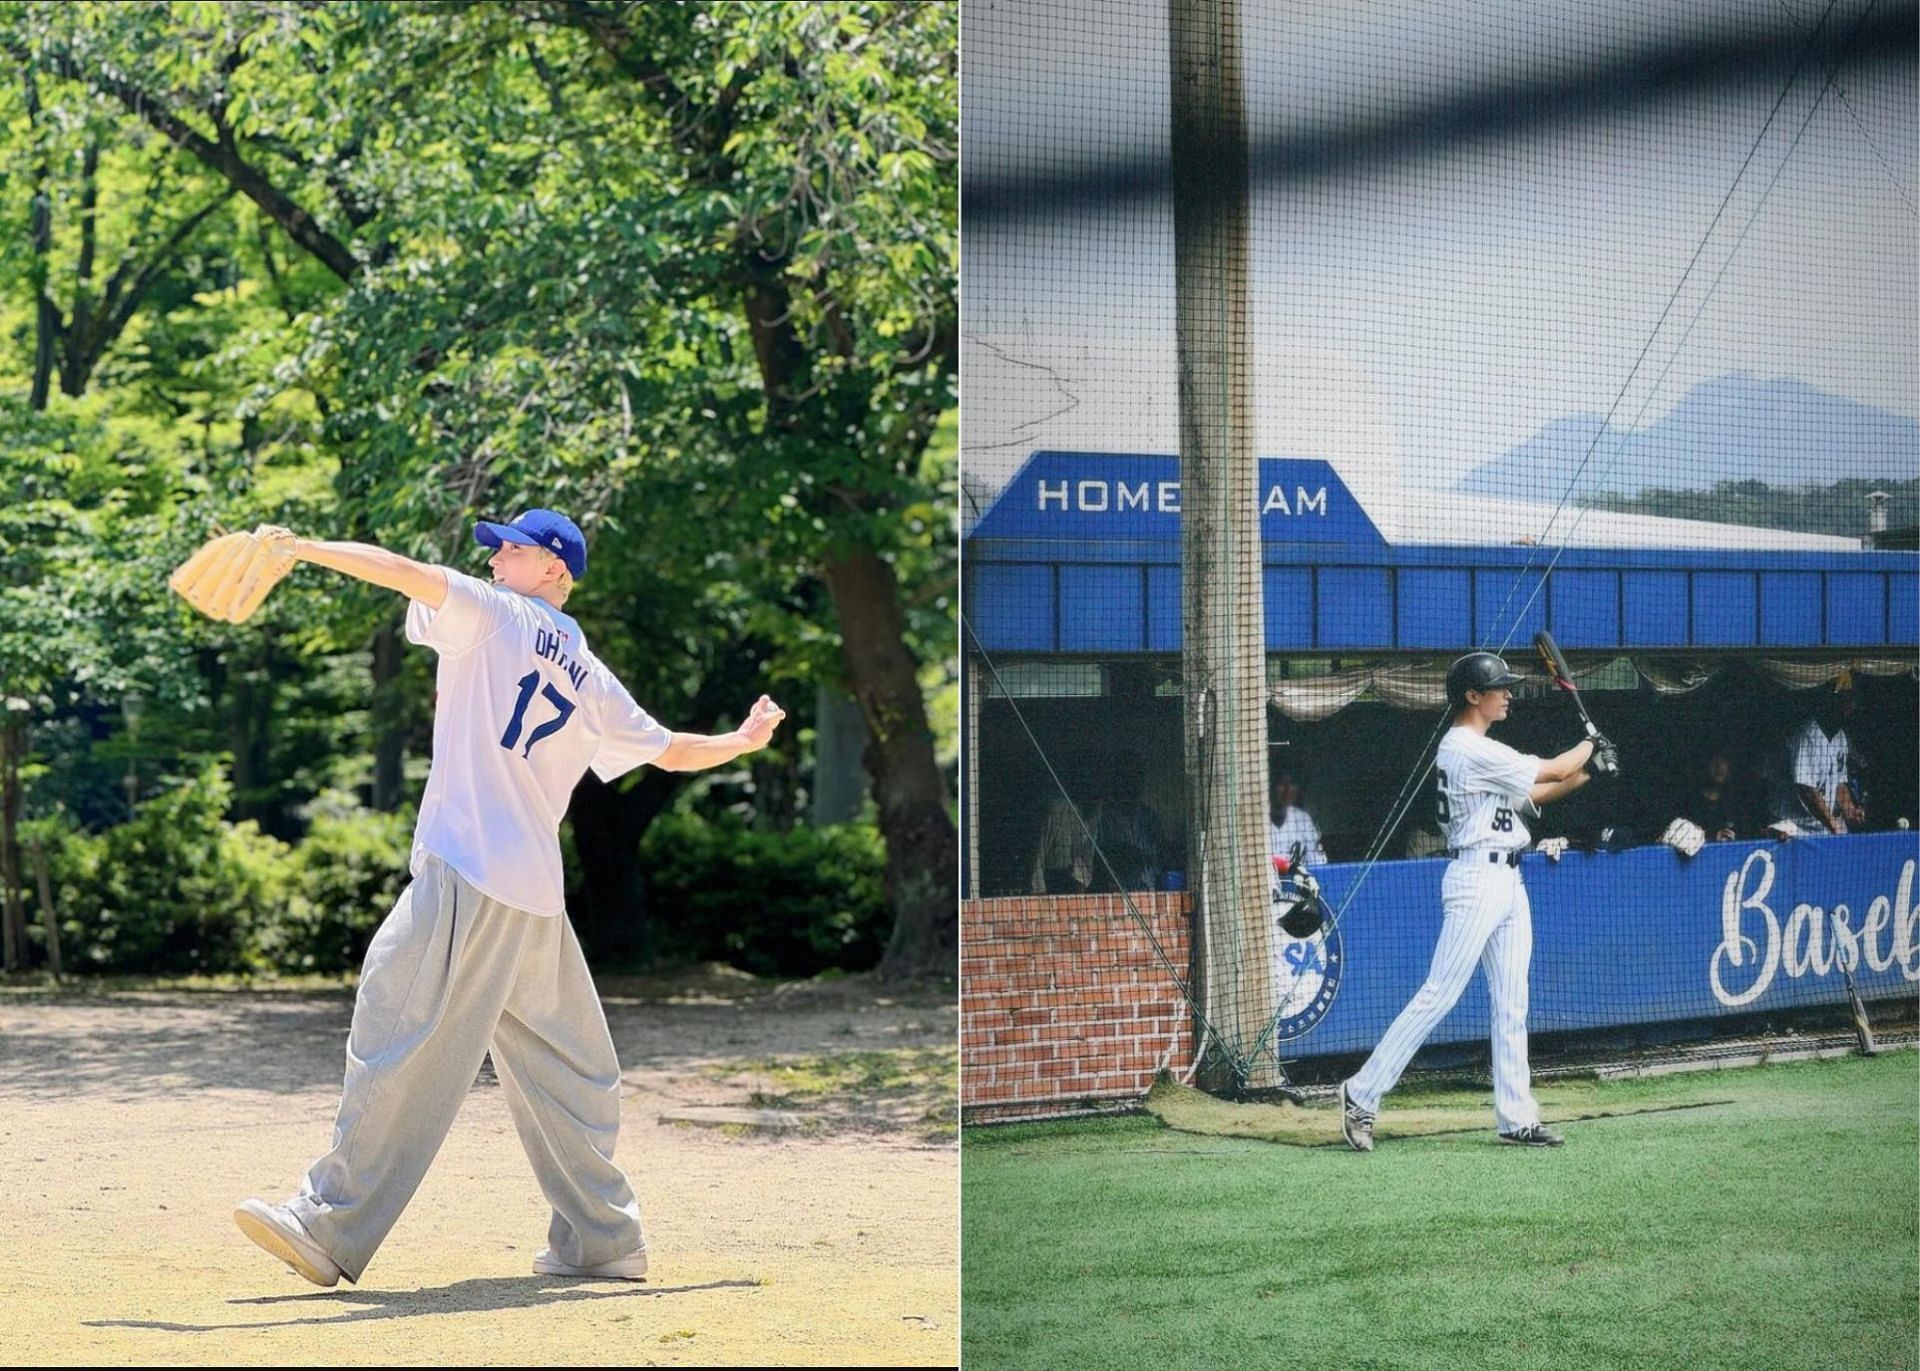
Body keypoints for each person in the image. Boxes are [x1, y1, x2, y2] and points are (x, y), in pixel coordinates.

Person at [232, 509, 785, 1287]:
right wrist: (740, 741)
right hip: (534, 898)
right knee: (570, 1072)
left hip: (469, 870)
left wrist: (304, 550)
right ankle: (603, 1239)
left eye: (510, 549)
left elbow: (404, 570)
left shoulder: (496, 616)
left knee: (395, 1026)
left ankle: (328, 1221)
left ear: (555, 568)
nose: (492, 559)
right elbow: (668, 749)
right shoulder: (588, 671)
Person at [1337, 652, 1613, 1153]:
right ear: (1472, 696)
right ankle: (1360, 1093)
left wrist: (1592, 769)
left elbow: (1538, 793)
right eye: (1500, 687)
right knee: (1438, 994)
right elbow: (1553, 766)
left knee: (1512, 1004)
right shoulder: (1466, 747)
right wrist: (1590, 744)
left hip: (1509, 879)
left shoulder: (1480, 752)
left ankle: (1516, 1118)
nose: (1508, 694)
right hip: (1474, 879)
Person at [1768, 683, 1864, 836]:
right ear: (1833, 702)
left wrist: (1849, 809)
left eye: (1852, 701)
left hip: (1824, 825)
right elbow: (1807, 791)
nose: (1852, 707)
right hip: (1795, 826)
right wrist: (1834, 826)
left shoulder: (1840, 736)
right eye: (1846, 700)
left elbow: (1839, 783)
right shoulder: (1807, 734)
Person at [1674, 751, 1751, 842]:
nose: (1719, 767)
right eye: (1715, 762)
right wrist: (1711, 837)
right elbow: (1678, 836)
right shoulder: (1689, 802)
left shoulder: (1736, 803)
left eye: (1723, 762)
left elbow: (1747, 835)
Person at [1267, 770, 1329, 867]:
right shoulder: (1257, 819)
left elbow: (1317, 862)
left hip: (1298, 880)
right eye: (1282, 784)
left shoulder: (1303, 819)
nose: (1288, 790)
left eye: (1292, 784)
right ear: (1271, 787)